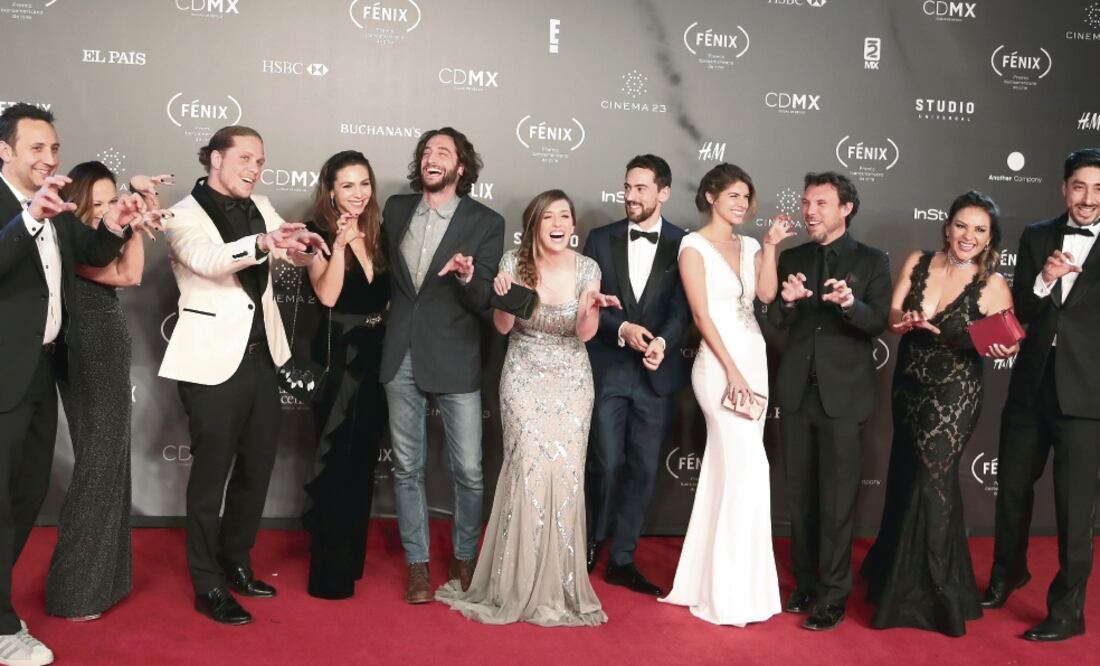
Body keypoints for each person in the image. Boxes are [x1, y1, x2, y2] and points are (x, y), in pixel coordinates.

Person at [159, 125, 327, 625]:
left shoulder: (263, 205)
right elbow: (208, 261)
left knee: (256, 473)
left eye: (261, 161)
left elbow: (285, 248)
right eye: (246, 159)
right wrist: (261, 240)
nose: (255, 169)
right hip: (211, 363)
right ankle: (206, 583)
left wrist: (304, 244)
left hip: (262, 357)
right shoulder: (180, 215)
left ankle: (236, 561)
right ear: (215, 158)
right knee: (210, 480)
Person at [0, 103, 140, 666]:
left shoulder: (56, 207)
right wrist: (30, 217)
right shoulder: (31, 209)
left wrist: (113, 223)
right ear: (4, 150)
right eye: (36, 148)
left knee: (27, 494)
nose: (49, 158)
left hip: (37, 372)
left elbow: (94, 257)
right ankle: (5, 627)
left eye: (54, 148)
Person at [436, 190, 617, 626]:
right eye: (549, 216)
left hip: (573, 380)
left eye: (566, 216)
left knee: (567, 476)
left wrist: (591, 308)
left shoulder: (587, 267)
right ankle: (513, 582)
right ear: (534, 223)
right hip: (523, 375)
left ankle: (559, 586)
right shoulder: (512, 263)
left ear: (573, 225)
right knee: (528, 472)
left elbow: (585, 335)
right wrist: (502, 297)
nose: (559, 223)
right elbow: (502, 328)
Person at [861, 191, 1016, 637]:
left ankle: (938, 593)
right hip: (908, 383)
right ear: (947, 227)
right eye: (962, 226)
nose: (969, 236)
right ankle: (897, 573)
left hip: (955, 393)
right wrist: (903, 322)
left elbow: (1006, 339)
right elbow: (891, 317)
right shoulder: (919, 262)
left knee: (933, 483)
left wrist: (1005, 344)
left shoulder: (993, 285)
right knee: (907, 474)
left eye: (980, 230)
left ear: (990, 239)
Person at [660, 163, 793, 625]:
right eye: (733, 195)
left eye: (746, 197)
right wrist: (732, 371)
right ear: (712, 197)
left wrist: (772, 247)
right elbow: (701, 315)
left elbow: (766, 295)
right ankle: (728, 591)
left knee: (732, 469)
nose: (741, 204)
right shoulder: (692, 246)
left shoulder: (752, 244)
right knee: (746, 467)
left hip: (753, 357)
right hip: (719, 367)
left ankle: (725, 582)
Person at [379, 127, 504, 603]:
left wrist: (471, 276)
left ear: (461, 168)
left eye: (443, 152)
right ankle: (417, 564)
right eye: (427, 151)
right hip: (401, 355)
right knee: (407, 467)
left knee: (469, 470)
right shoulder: (394, 209)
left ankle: (465, 555)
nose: (432, 157)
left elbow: (483, 301)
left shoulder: (486, 221)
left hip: (455, 358)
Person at [982, 148, 1100, 642]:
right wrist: (1044, 278)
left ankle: (1068, 611)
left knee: (1075, 511)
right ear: (1063, 188)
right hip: (1031, 384)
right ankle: (1008, 572)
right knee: (1010, 488)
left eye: (1098, 188)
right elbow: (1024, 311)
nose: (1088, 198)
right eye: (1079, 186)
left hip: (1088, 394)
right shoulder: (1036, 235)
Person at [767, 171, 892, 631]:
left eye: (821, 203)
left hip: (845, 399)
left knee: (838, 502)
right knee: (800, 497)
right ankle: (804, 583)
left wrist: (848, 305)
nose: (810, 211)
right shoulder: (793, 257)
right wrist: (786, 301)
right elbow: (778, 321)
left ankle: (834, 594)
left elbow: (877, 322)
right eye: (806, 203)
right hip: (798, 394)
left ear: (846, 209)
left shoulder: (872, 260)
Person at [47, 162, 169, 622]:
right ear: (75, 205)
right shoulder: (66, 242)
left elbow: (133, 272)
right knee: (98, 467)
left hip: (108, 344)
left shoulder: (104, 237)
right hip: (84, 348)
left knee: (110, 463)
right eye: (94, 204)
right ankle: (73, 592)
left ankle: (105, 582)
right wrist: (119, 228)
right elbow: (114, 274)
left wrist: (132, 225)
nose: (104, 212)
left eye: (108, 201)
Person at [582, 154, 692, 596]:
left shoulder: (685, 244)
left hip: (655, 375)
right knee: (606, 464)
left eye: (641, 188)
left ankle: (623, 558)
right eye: (628, 187)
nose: (630, 196)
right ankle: (591, 541)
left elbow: (683, 308)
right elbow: (585, 302)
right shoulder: (600, 238)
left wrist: (663, 341)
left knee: (645, 468)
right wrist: (622, 329)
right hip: (608, 369)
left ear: (663, 192)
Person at [301, 150, 390, 600]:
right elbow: (329, 296)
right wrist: (338, 245)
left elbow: (379, 287)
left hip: (375, 355)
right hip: (338, 355)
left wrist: (357, 240)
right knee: (336, 459)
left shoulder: (378, 230)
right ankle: (328, 574)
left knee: (361, 462)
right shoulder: (313, 232)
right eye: (348, 185)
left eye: (364, 183)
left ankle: (350, 559)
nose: (358, 193)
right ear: (331, 189)